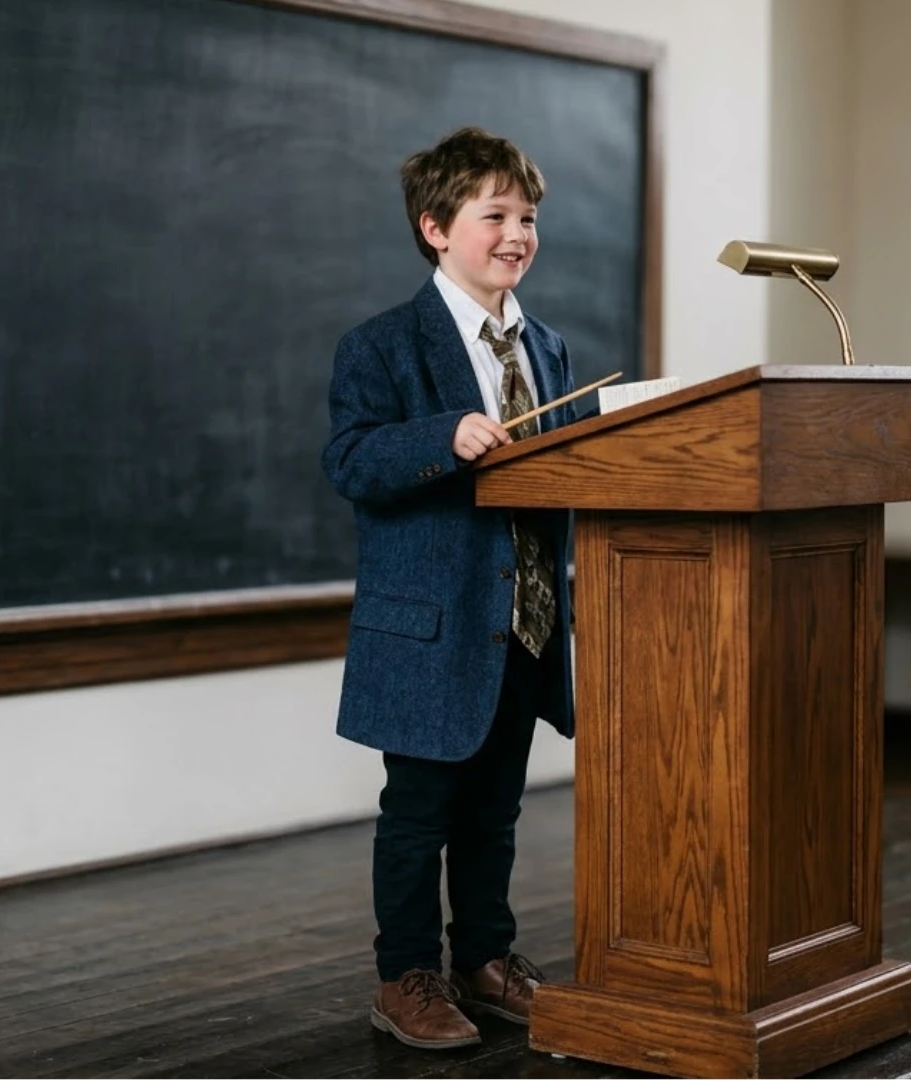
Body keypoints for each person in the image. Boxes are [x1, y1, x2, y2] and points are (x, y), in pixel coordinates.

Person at [320, 126, 590, 1050]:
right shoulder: (382, 345)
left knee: (496, 807)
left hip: (524, 622)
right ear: (436, 228)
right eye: (496, 215)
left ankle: (486, 957)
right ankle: (407, 977)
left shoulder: (548, 347)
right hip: (432, 628)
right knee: (418, 813)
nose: (518, 233)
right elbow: (349, 460)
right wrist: (444, 436)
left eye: (529, 216)